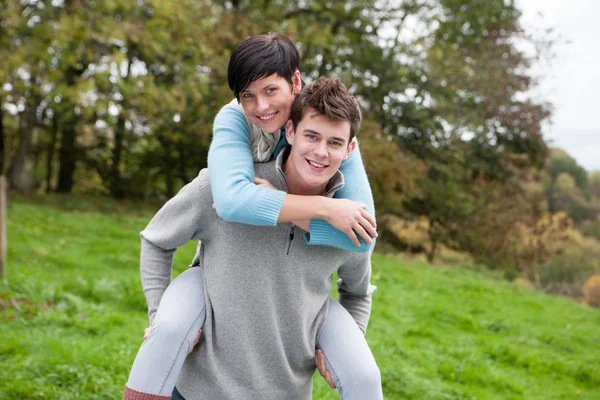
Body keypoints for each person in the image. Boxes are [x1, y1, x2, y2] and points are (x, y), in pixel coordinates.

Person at [124, 77, 382, 400]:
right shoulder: (228, 187)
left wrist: (341, 352)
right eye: (311, 136)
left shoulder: (350, 223)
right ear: (290, 132)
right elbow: (156, 238)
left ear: (350, 149)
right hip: (196, 391)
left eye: (334, 142)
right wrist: (159, 319)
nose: (320, 152)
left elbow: (357, 293)